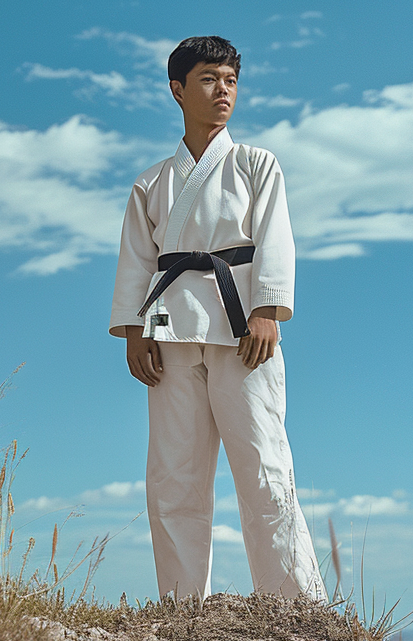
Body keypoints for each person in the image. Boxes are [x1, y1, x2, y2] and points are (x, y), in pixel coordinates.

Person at [109, 35, 327, 603]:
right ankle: (182, 608)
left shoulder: (257, 165)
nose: (223, 90)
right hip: (171, 332)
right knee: (174, 475)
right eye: (208, 79)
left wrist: (267, 309)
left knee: (264, 465)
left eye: (230, 80)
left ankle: (296, 606)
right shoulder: (152, 183)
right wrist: (133, 330)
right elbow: (137, 258)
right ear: (177, 89)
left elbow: (276, 238)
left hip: (241, 329)